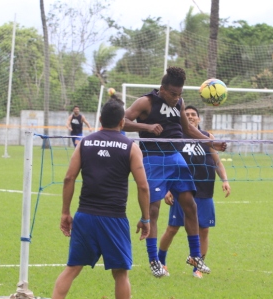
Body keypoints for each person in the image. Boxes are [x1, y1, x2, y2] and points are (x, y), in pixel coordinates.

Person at [122, 66, 227, 278]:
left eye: (179, 94)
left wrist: (211, 142)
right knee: (153, 209)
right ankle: (154, 260)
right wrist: (147, 127)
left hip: (176, 158)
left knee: (190, 204)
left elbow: (188, 130)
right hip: (153, 159)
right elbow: (121, 121)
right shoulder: (146, 102)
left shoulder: (178, 102)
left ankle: (196, 255)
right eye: (172, 94)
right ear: (162, 89)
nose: (176, 98)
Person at [52, 100, 150, 299]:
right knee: (121, 274)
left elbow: (69, 178)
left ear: (99, 120)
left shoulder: (84, 143)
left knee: (72, 269)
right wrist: (146, 218)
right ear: (122, 122)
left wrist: (65, 212)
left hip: (85, 216)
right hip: (114, 218)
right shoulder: (131, 147)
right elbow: (143, 186)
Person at [158, 105, 231, 278]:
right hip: (181, 190)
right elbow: (167, 165)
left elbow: (217, 163)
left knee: (204, 230)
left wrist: (225, 180)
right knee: (172, 228)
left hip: (205, 190)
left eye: (193, 115)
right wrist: (167, 189)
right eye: (187, 114)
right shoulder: (177, 137)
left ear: (198, 119)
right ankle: (161, 261)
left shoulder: (207, 137)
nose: (190, 117)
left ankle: (197, 267)